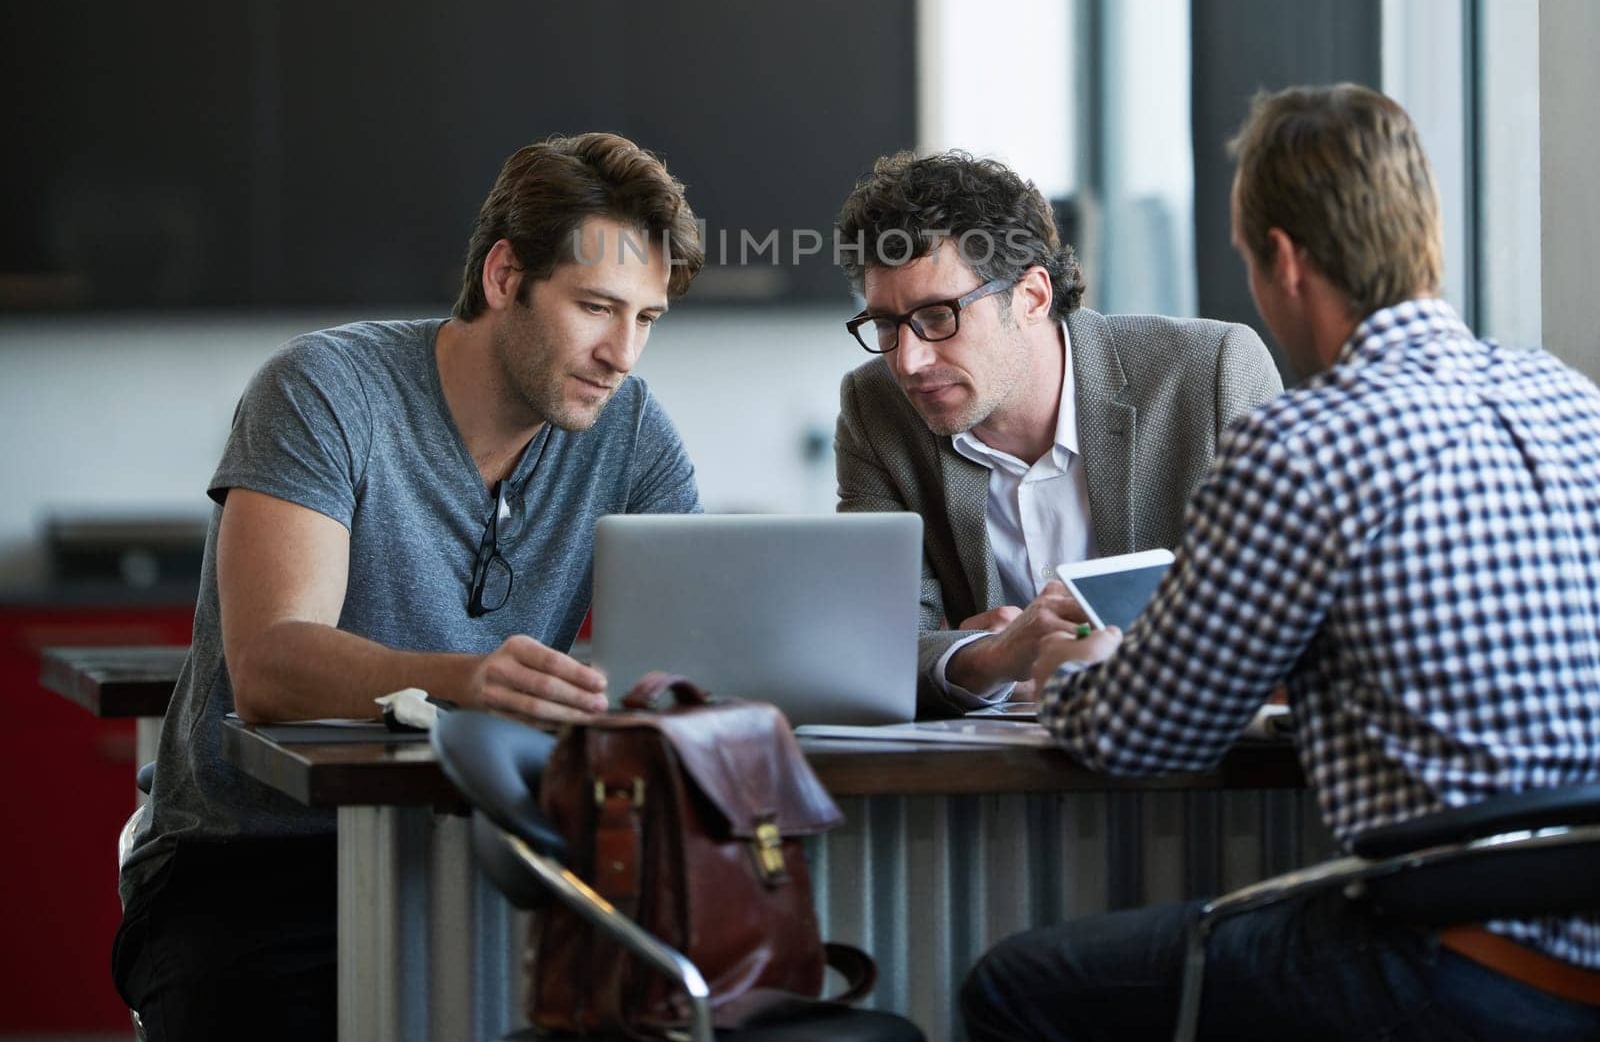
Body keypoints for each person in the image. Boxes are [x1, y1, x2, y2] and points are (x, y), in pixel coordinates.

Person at [962, 85, 1600, 1042]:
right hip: (1584, 960)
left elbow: (1148, 736)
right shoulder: (1570, 406)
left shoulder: (1304, 445)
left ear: (1287, 262)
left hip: (1443, 959)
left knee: (1014, 987)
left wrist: (1073, 671)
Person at [112, 131, 705, 1042]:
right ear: (505, 276)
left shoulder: (631, 436)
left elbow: (686, 659)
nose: (623, 353)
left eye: (648, 319)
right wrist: (469, 680)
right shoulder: (323, 391)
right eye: (596, 306)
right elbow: (271, 666)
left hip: (493, 857)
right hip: (259, 866)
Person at [832, 150, 1281, 714]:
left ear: (1033, 296)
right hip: (988, 780)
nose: (909, 361)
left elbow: (1275, 621)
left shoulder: (1211, 373)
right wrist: (990, 658)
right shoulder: (875, 409)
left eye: (939, 316)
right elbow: (870, 648)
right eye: (886, 325)